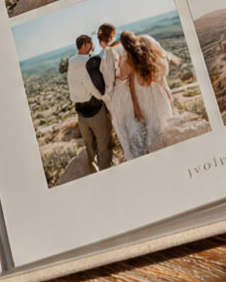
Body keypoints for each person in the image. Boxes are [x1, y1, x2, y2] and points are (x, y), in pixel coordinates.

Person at [119, 30, 180, 153]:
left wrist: (120, 59)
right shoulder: (147, 50)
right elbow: (161, 73)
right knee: (166, 120)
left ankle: (160, 150)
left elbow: (121, 75)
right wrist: (167, 90)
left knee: (152, 125)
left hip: (142, 96)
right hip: (158, 91)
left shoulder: (128, 60)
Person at [98, 22, 147, 160]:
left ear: (101, 38)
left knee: (124, 130)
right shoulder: (125, 49)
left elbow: (109, 82)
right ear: (113, 34)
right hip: (131, 93)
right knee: (135, 126)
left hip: (118, 97)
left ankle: (133, 157)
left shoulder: (107, 53)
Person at [67, 34, 113, 173]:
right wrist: (106, 99)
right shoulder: (89, 62)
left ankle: (92, 169)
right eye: (91, 44)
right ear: (85, 45)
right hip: (95, 110)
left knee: (89, 145)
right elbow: (93, 86)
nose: (93, 47)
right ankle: (106, 172)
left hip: (80, 113)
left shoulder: (71, 62)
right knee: (104, 142)